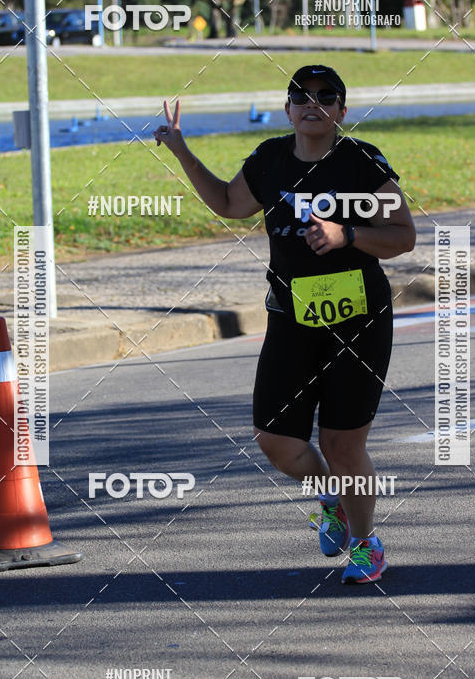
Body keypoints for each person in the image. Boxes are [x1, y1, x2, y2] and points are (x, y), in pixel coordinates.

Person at [154, 64, 415, 583]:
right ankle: (331, 498)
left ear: (342, 110)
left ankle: (368, 545)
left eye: (325, 96)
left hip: (357, 320)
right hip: (292, 316)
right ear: (288, 107)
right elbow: (230, 203)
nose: (311, 102)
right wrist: (182, 150)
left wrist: (347, 236)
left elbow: (403, 236)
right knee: (276, 439)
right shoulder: (271, 159)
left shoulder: (361, 162)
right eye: (300, 94)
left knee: (344, 444)